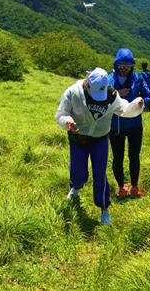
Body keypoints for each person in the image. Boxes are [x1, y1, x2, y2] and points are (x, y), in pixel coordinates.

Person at [55, 67, 144, 225]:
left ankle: (104, 208)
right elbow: (61, 114)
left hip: (100, 139)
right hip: (78, 138)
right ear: (87, 83)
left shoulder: (110, 95)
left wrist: (136, 105)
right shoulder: (73, 92)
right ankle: (75, 188)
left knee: (100, 174)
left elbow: (123, 109)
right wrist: (67, 122)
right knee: (78, 172)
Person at [108, 49, 150, 198]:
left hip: (135, 125)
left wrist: (143, 103)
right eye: (121, 65)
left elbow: (148, 94)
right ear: (116, 64)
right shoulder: (108, 80)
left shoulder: (138, 79)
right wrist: (117, 95)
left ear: (132, 66)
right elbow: (101, 97)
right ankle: (121, 188)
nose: (124, 69)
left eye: (128, 66)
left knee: (134, 156)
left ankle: (134, 187)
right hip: (115, 125)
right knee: (118, 157)